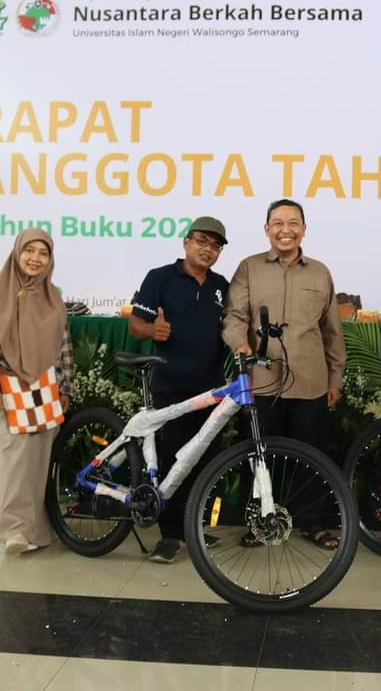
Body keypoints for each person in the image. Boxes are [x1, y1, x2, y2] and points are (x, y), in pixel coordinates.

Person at [223, 198, 346, 549]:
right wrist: (239, 343)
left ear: (304, 229)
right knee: (260, 456)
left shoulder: (320, 272)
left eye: (293, 223)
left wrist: (335, 379)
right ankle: (260, 523)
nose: (285, 230)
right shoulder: (249, 268)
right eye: (277, 223)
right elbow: (234, 316)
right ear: (267, 229)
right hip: (262, 383)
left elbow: (332, 332)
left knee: (312, 459)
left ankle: (314, 524)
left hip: (310, 383)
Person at [128, 217, 229, 563]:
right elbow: (136, 324)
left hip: (211, 389)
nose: (207, 249)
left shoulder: (221, 285)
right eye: (201, 241)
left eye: (215, 245)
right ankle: (169, 535)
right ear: (186, 242)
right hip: (171, 385)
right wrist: (151, 330)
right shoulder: (160, 278)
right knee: (173, 460)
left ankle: (191, 528)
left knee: (203, 461)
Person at [0, 228, 73, 555]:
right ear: (17, 252)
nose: (35, 258)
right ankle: (13, 530)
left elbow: (64, 346)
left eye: (43, 253)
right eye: (29, 250)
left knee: (38, 462)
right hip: (9, 387)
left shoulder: (52, 296)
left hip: (45, 389)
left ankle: (35, 530)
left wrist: (66, 388)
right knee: (14, 460)